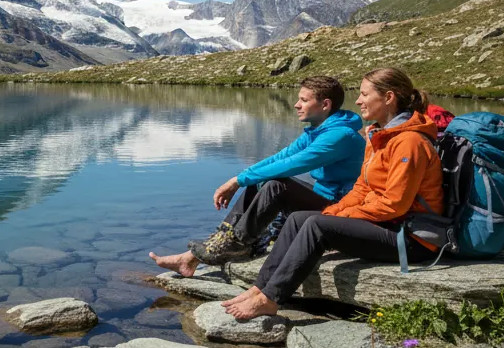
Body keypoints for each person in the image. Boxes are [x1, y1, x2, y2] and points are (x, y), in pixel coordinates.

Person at [224, 67, 444, 320]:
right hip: (388, 225)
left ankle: (271, 298)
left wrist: (342, 217)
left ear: (388, 97)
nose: (358, 101)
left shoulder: (409, 142)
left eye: (364, 94)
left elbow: (394, 205)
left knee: (318, 225)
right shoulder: (379, 136)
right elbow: (362, 188)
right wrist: (334, 211)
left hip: (411, 238)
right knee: (300, 219)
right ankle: (259, 288)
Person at [149, 76, 365, 276]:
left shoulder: (339, 136)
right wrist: (241, 177)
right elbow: (281, 157)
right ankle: (214, 248)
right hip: (327, 200)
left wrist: (237, 181)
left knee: (276, 185)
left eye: (303, 100)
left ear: (325, 105)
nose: (296, 105)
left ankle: (234, 244)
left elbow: (294, 164)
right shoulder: (320, 130)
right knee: (261, 180)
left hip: (341, 208)